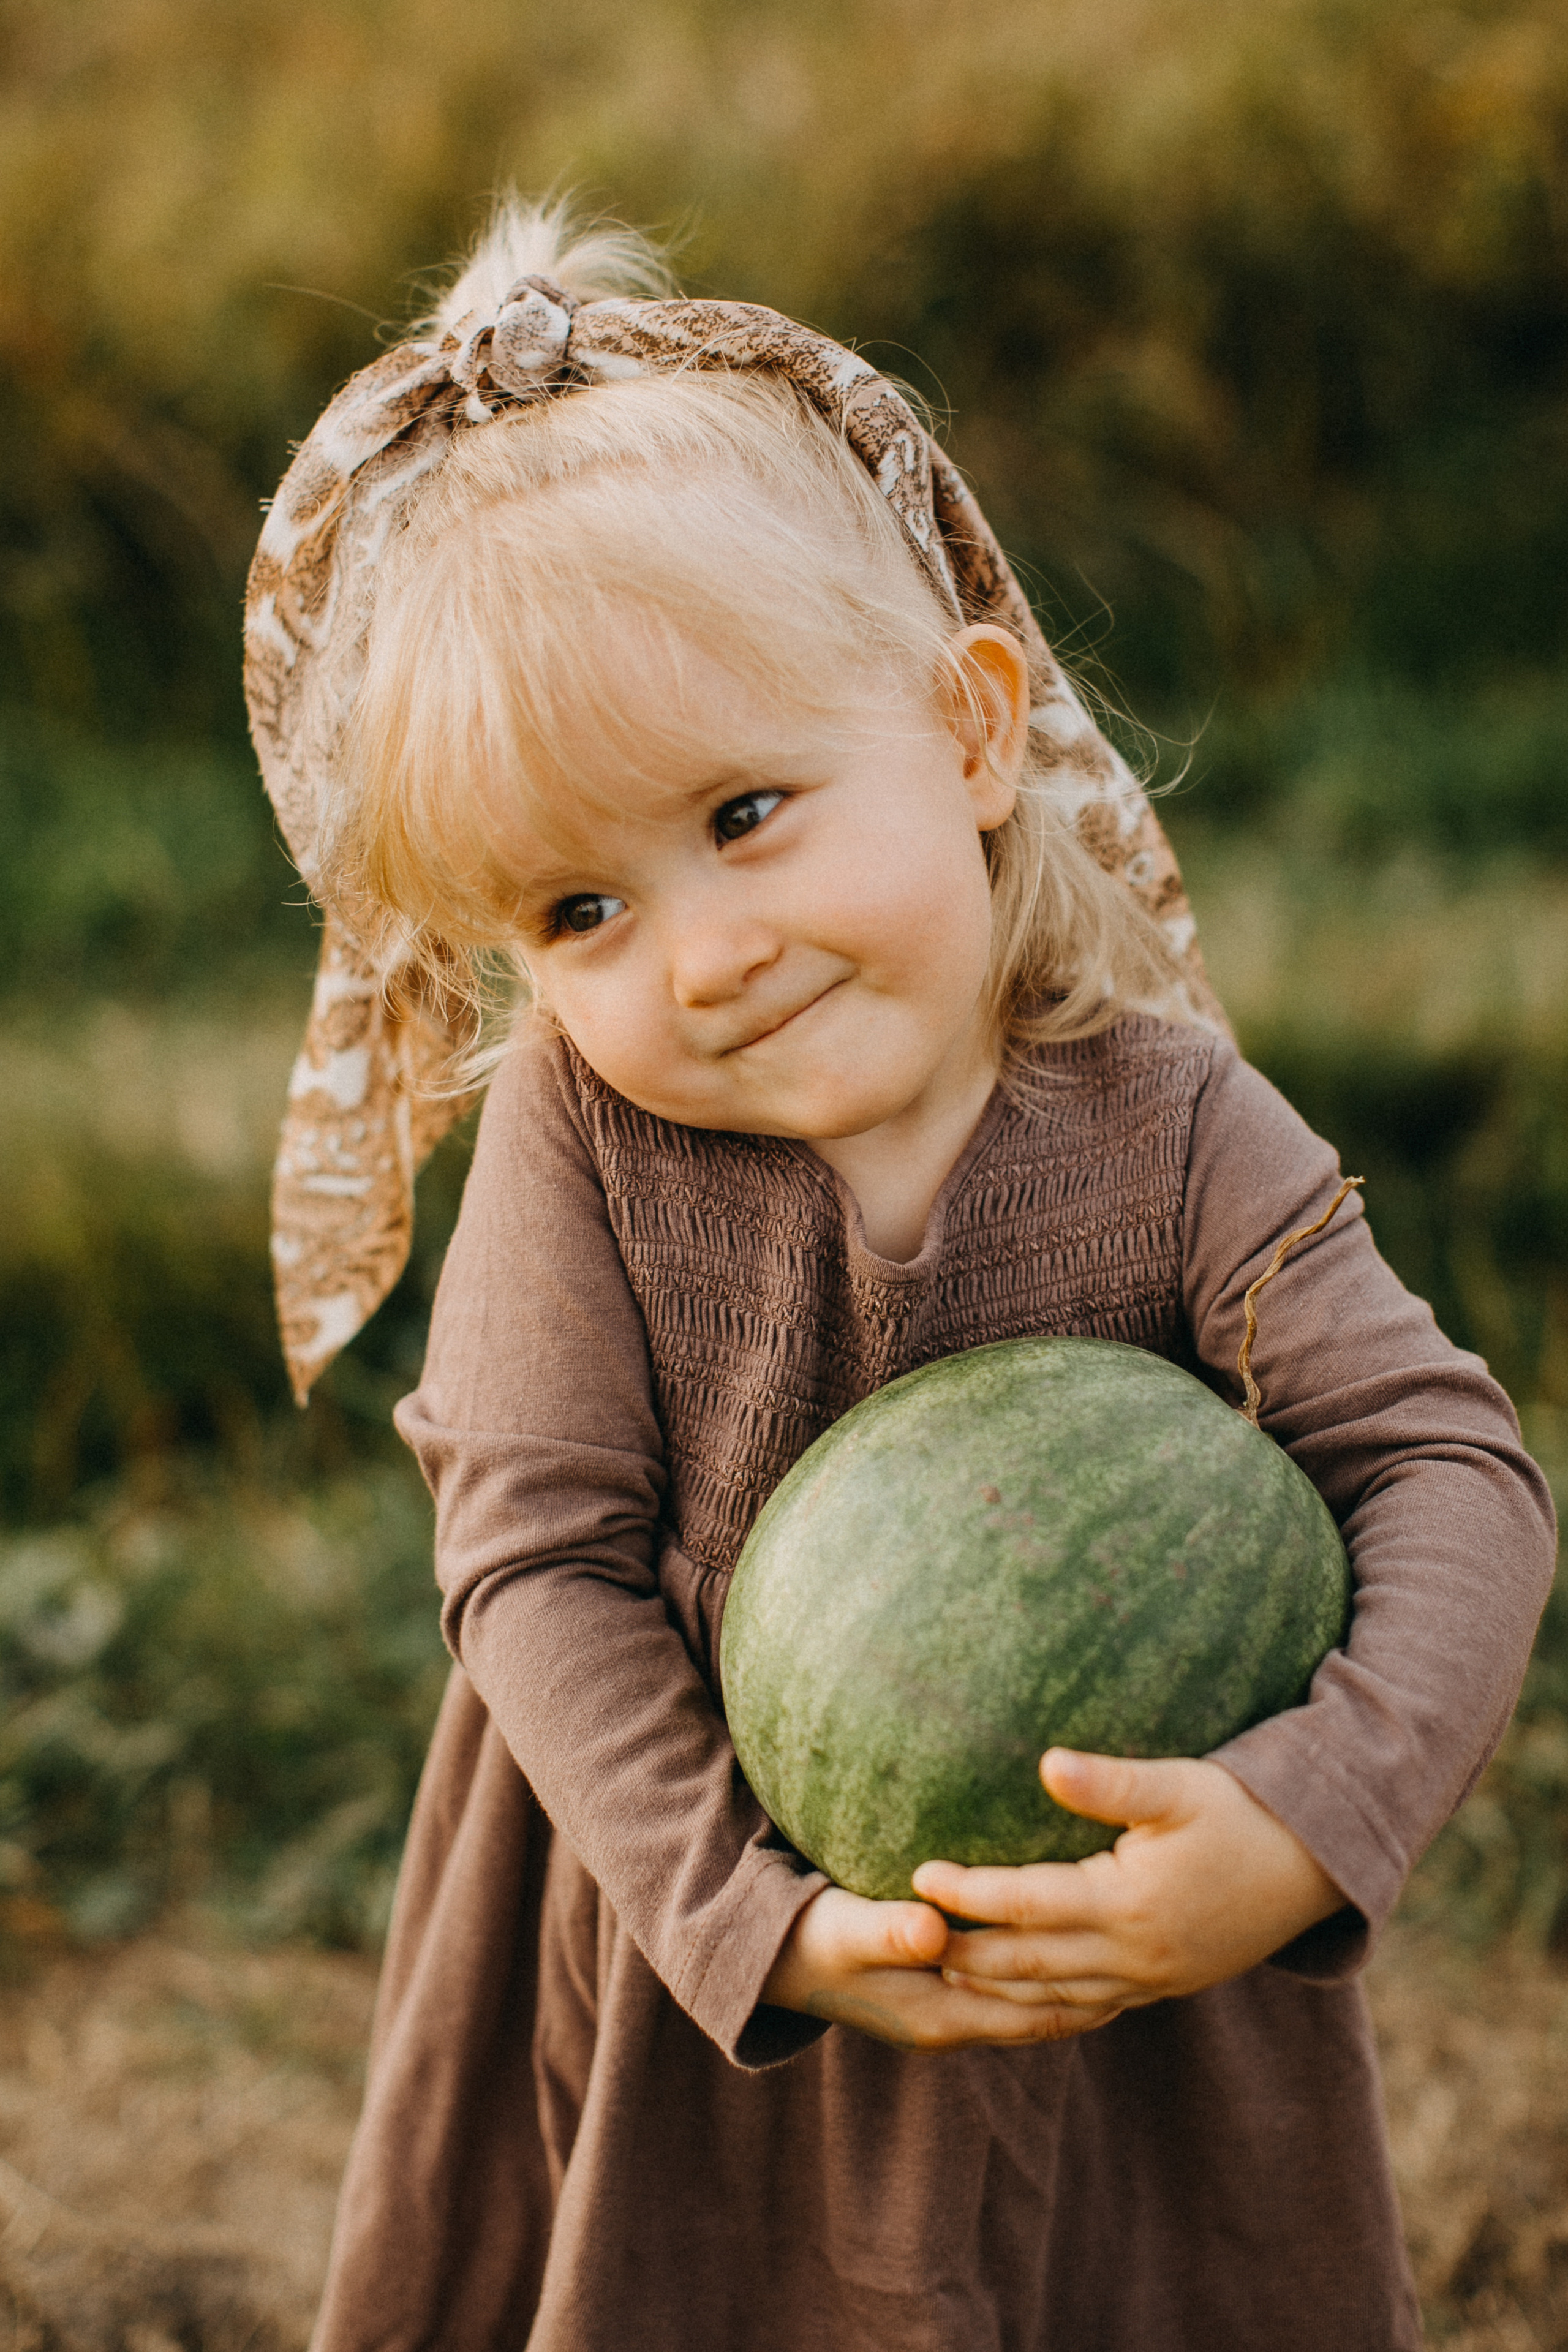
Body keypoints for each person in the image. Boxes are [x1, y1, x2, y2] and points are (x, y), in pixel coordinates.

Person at [243, 201, 1555, 2352]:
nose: (705, 947)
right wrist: (752, 1919)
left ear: (963, 728)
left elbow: (1445, 1468)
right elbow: (535, 1569)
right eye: (579, 911)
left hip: (1128, 1959)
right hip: (713, 1966)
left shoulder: (1170, 1117)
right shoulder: (583, 1146)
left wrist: (1301, 1827)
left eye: (748, 810)